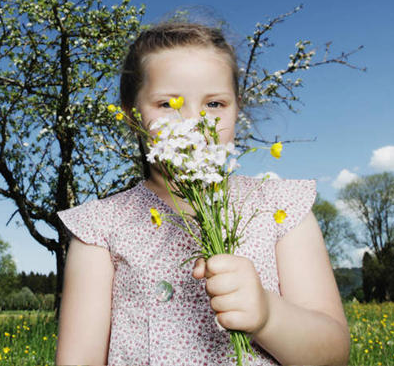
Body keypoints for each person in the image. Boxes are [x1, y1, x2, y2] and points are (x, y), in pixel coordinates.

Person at [54, 21, 350, 366]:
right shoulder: (100, 229)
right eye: (168, 104)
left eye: (214, 104)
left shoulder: (279, 209)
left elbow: (333, 355)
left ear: (238, 109)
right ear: (132, 116)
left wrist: (268, 316)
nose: (193, 122)